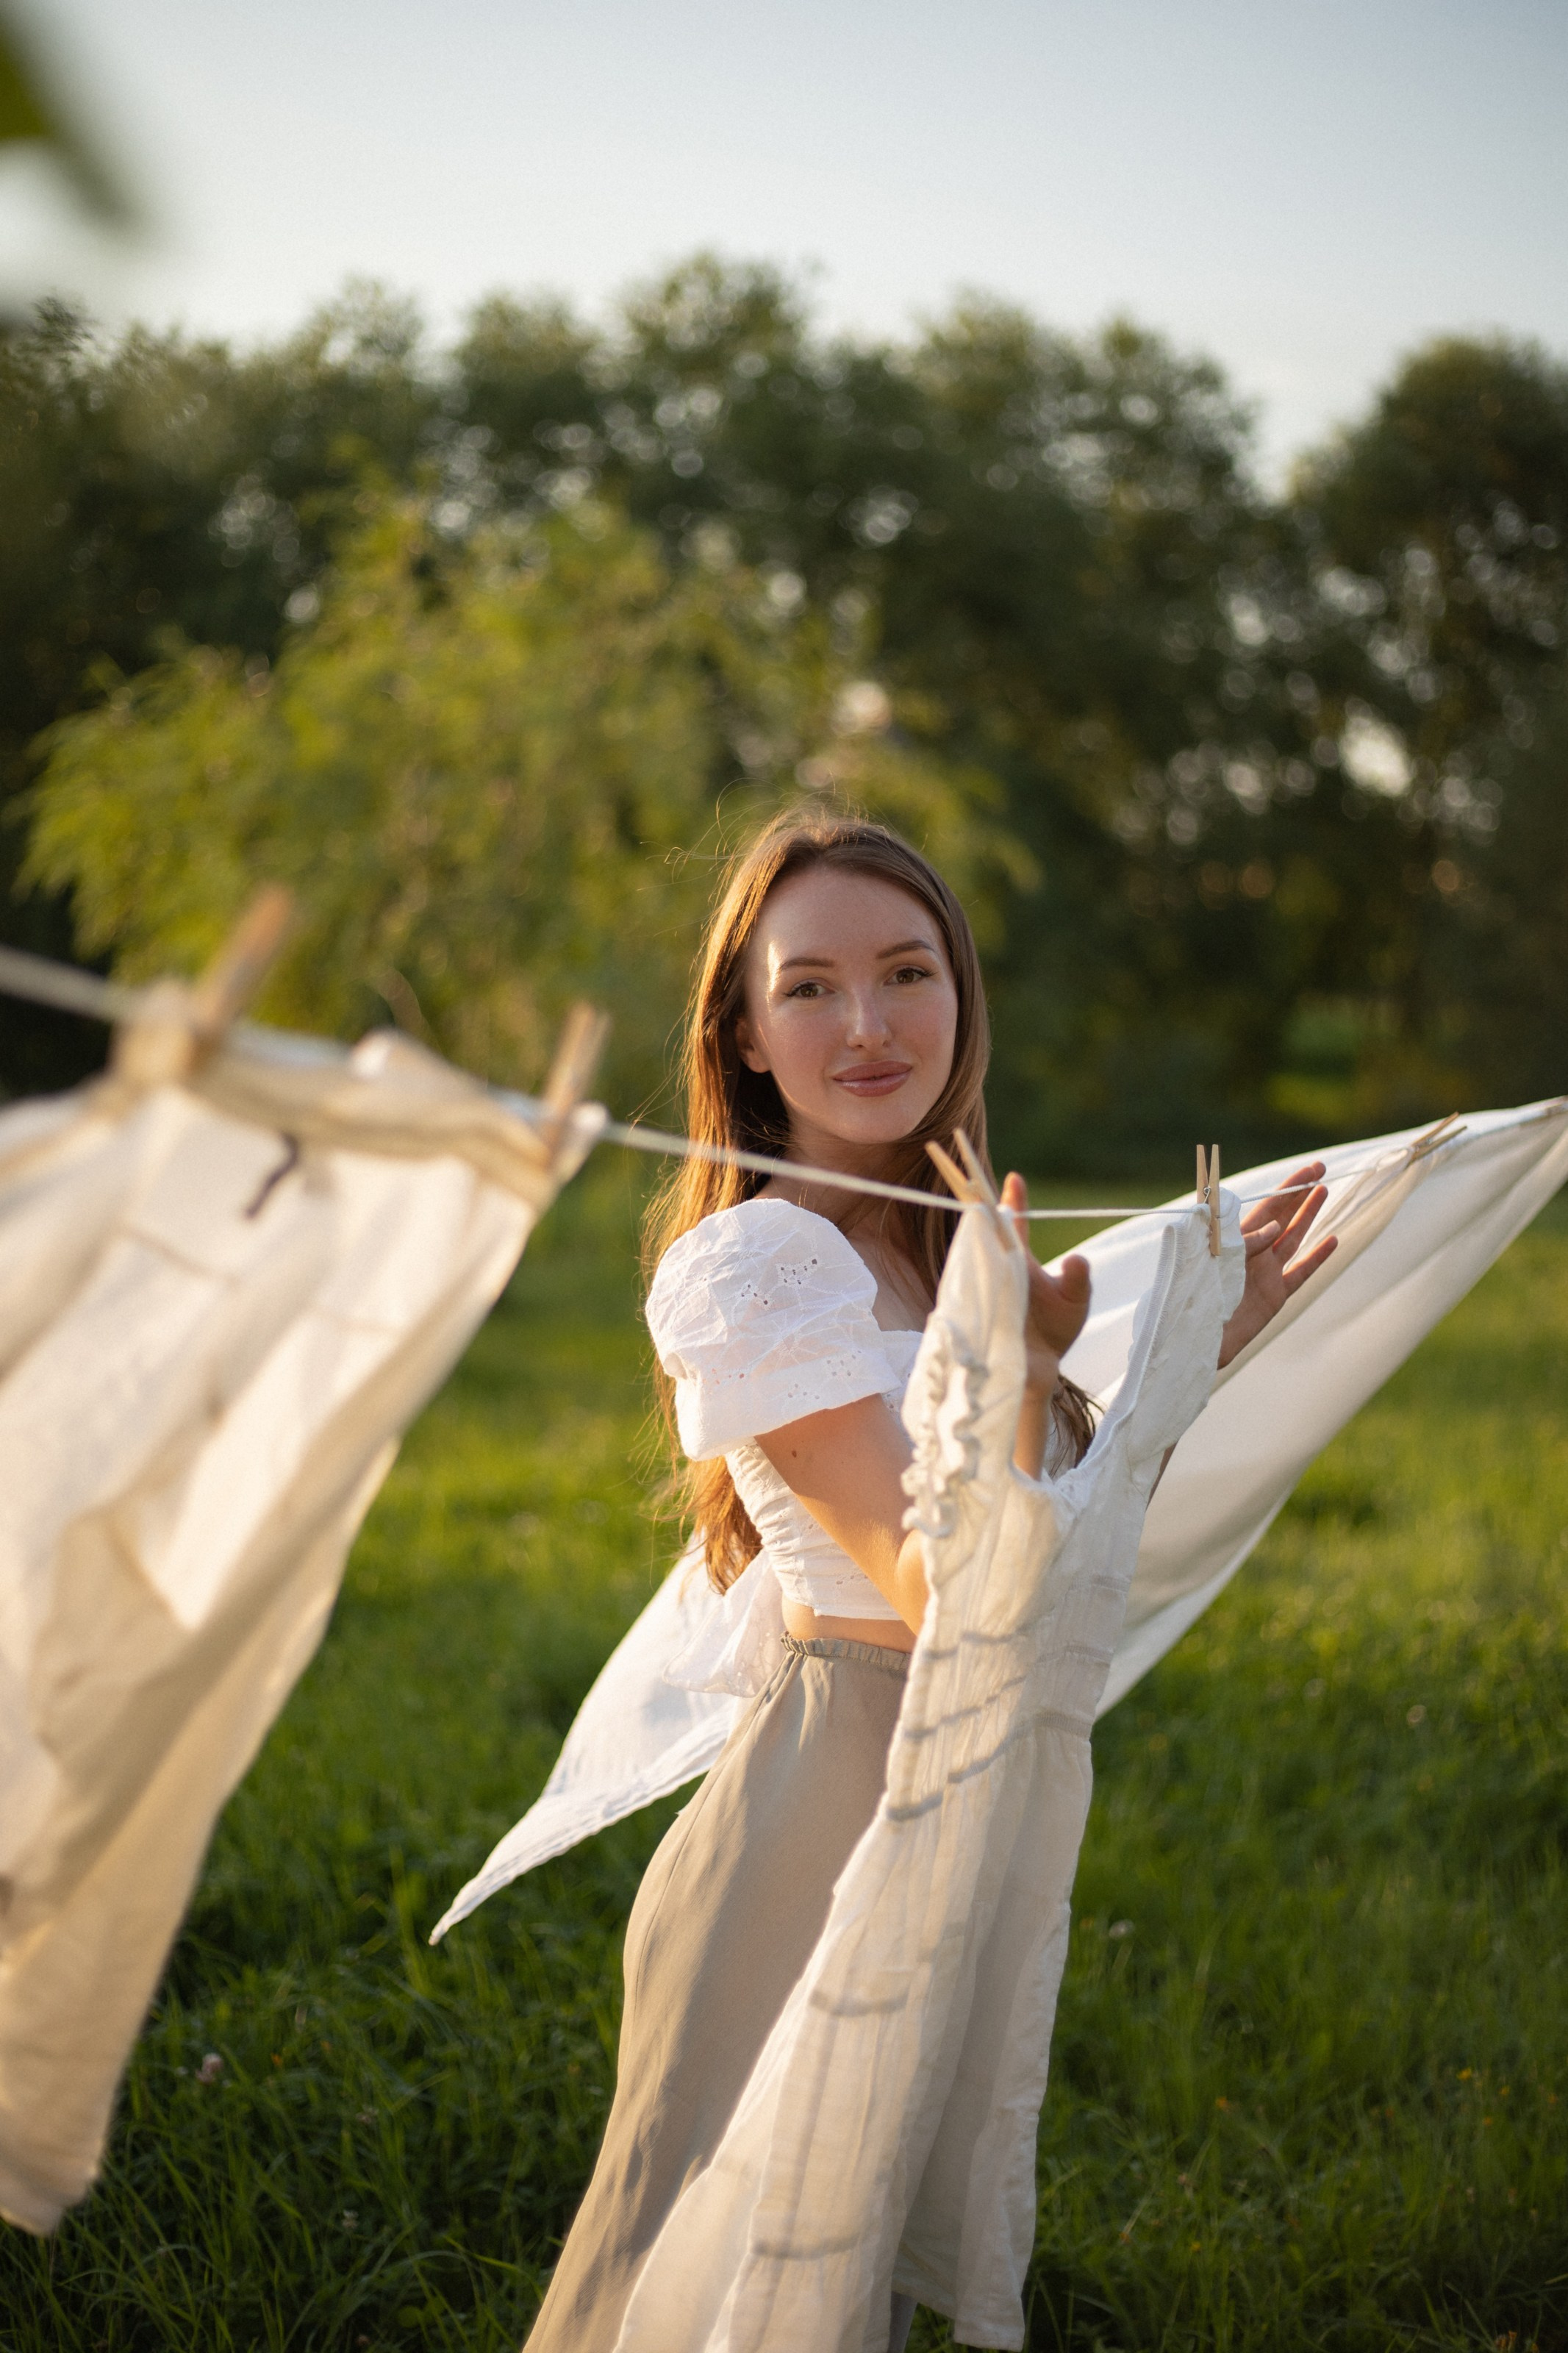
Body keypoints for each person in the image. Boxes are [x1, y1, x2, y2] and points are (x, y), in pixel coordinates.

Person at [523, 810, 1333, 2352]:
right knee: (709, 2295)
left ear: (961, 994)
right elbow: (933, 1581)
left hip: (947, 1784)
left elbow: (1056, 1538)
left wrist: (1190, 1343)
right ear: (745, 1034)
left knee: (849, 2279)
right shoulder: (755, 1264)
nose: (869, 1023)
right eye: (810, 986)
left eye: (906, 971)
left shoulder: (933, 1246)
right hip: (820, 1804)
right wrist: (1027, 1374)